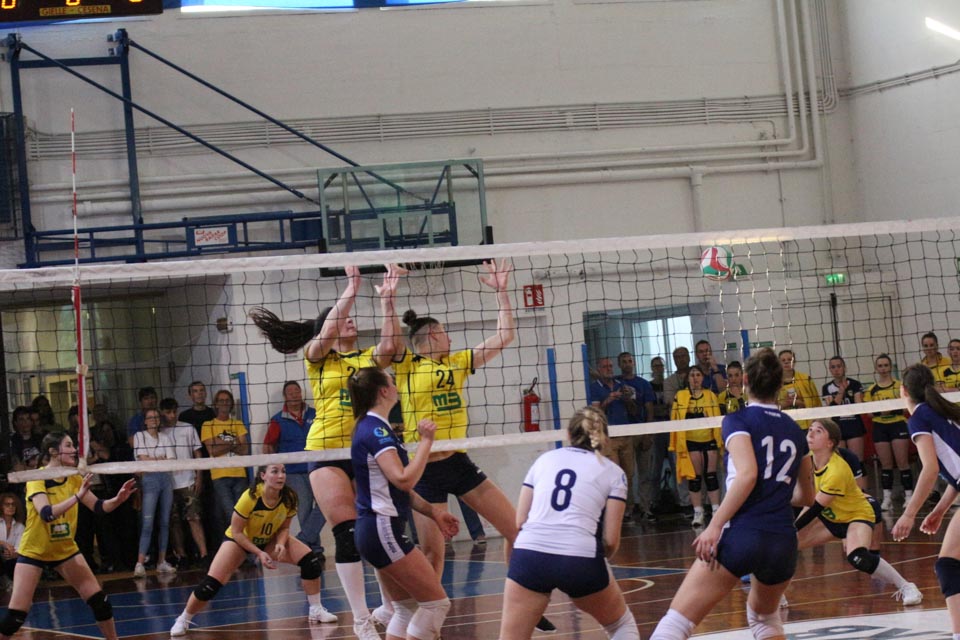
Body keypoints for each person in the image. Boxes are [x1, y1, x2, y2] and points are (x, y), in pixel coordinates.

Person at [395, 260, 556, 634]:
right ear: (432, 335)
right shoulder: (406, 365)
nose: (450, 338)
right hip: (423, 469)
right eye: (445, 333)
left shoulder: (458, 362)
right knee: (433, 554)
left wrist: (502, 292)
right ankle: (425, 625)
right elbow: (390, 341)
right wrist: (389, 297)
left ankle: (523, 603)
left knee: (519, 531)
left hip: (459, 463)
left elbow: (504, 336)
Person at [250, 264, 404, 640]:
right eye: (342, 319)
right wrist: (352, 287)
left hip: (364, 451)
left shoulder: (367, 360)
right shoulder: (317, 358)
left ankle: (388, 606)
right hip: (326, 450)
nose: (349, 321)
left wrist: (387, 301)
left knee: (377, 531)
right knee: (349, 534)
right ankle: (361, 618)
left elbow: (391, 347)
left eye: (351, 318)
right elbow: (330, 327)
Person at [649, 348, 814, 640]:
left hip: (743, 533)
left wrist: (714, 526)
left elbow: (748, 474)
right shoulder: (795, 430)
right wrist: (773, 494)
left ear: (745, 380)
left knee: (676, 622)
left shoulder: (737, 420)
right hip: (783, 542)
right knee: (765, 620)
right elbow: (806, 497)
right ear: (780, 384)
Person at [500, 407, 640, 640]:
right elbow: (610, 541)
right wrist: (594, 565)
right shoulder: (614, 473)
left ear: (568, 434)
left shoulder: (544, 460)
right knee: (621, 625)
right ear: (604, 438)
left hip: (530, 554)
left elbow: (520, 521)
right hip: (579, 557)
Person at [349, 367, 460, 640]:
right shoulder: (376, 430)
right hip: (382, 528)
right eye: (392, 381)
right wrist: (426, 442)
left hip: (375, 530)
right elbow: (403, 479)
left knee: (406, 611)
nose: (396, 385)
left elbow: (398, 490)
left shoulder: (373, 426)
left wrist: (434, 512)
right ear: (384, 391)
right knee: (436, 604)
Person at [169, 463, 337, 637]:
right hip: (240, 540)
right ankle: (183, 619)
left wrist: (280, 543)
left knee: (310, 561)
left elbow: (284, 527)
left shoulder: (289, 497)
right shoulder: (250, 498)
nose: (281, 476)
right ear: (263, 476)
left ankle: (316, 609)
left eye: (283, 471)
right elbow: (236, 531)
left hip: (269, 539)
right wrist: (259, 553)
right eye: (275, 472)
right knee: (211, 584)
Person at [0, 432, 136, 640]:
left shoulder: (74, 477)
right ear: (54, 451)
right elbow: (46, 514)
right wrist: (77, 497)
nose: (74, 450)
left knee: (101, 603)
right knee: (16, 617)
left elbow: (99, 507)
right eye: (69, 445)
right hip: (35, 550)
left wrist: (118, 499)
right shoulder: (37, 477)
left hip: (64, 549)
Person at [795, 419, 921, 605]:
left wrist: (793, 528)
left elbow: (815, 508)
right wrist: (791, 531)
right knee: (785, 547)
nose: (810, 434)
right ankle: (777, 598)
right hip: (831, 517)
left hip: (856, 516)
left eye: (818, 431)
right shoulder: (808, 462)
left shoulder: (836, 470)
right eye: (810, 430)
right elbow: (808, 501)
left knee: (857, 557)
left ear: (830, 442)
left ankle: (907, 586)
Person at [892, 363, 960, 639]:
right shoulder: (944, 412)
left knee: (948, 564)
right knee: (950, 563)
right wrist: (941, 509)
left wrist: (909, 514)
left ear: (903, 391)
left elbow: (930, 469)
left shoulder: (919, 417)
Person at [263, 381, 326, 554]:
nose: (294, 395)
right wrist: (275, 471)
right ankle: (314, 551)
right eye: (290, 392)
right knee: (304, 509)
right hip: (293, 472)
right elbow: (267, 446)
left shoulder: (316, 414)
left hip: (316, 467)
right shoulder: (278, 420)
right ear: (285, 396)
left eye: (297, 391)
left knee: (325, 504)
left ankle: (305, 539)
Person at [669, 365, 722, 527]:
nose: (695, 378)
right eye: (692, 375)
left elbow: (716, 417)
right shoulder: (681, 395)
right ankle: (698, 512)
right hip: (690, 441)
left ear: (703, 378)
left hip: (709, 439)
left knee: (711, 476)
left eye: (698, 375)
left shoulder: (710, 395)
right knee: (695, 478)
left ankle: (716, 510)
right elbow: (675, 418)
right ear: (687, 379)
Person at [159, 398, 209, 568]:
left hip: (188, 481)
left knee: (194, 518)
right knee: (174, 521)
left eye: (174, 411)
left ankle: (204, 554)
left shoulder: (187, 428)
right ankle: (182, 556)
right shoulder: (159, 432)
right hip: (168, 484)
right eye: (168, 412)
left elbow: (197, 454)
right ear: (162, 413)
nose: (172, 415)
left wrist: (199, 476)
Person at [863, 354, 913, 512]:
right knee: (886, 464)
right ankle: (887, 498)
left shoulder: (900, 386)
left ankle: (909, 496)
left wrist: (891, 410)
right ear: (876, 368)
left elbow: (907, 407)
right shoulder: (872, 390)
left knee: (902, 462)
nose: (883, 369)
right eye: (880, 366)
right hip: (880, 427)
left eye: (886, 365)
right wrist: (881, 412)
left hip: (897, 425)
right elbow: (868, 413)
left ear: (890, 367)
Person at [132, 408, 177, 577]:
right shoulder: (139, 436)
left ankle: (161, 562)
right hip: (150, 479)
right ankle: (140, 563)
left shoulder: (165, 437)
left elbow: (171, 460)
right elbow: (143, 459)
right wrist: (159, 460)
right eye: (150, 417)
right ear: (145, 421)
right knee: (148, 523)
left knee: (165, 521)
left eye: (156, 417)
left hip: (166, 479)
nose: (153, 419)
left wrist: (154, 460)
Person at [200, 390, 249, 542]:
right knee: (230, 514)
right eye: (221, 400)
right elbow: (213, 451)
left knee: (242, 513)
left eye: (227, 400)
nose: (224, 403)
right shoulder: (208, 425)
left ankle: (240, 546)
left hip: (239, 475)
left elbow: (245, 450)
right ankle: (235, 546)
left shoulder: (237, 423)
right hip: (220, 476)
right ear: (215, 404)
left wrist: (221, 443)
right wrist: (234, 442)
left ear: (231, 403)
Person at [590, 357, 636, 520]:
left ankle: (628, 509)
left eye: (610, 366)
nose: (609, 369)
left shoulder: (621, 385)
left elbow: (634, 410)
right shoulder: (595, 388)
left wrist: (628, 399)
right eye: (605, 366)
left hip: (626, 435)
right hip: (608, 438)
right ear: (599, 369)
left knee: (628, 474)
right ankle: (614, 511)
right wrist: (608, 400)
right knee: (615, 475)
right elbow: (595, 413)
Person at [617, 352, 656, 522]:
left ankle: (646, 507)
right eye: (624, 361)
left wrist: (648, 433)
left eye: (629, 361)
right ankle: (629, 509)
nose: (627, 364)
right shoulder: (616, 384)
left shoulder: (643, 384)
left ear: (633, 363)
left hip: (642, 430)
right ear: (619, 364)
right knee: (627, 474)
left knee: (645, 473)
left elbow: (649, 409)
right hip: (624, 433)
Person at [821, 356, 866, 463]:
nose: (836, 369)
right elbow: (832, 409)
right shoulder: (826, 387)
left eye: (839, 366)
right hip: (837, 427)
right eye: (833, 367)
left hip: (854, 425)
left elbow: (859, 407)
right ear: (830, 369)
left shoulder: (855, 384)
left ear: (844, 368)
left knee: (857, 462)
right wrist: (841, 391)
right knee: (841, 463)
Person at [778, 349, 821, 428]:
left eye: (789, 359)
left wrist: (799, 403)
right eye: (783, 360)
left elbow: (816, 404)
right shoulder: (773, 383)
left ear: (794, 362)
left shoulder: (806, 379)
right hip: (784, 425)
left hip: (805, 425)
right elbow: (770, 408)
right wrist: (786, 403)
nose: (786, 362)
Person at [0, 494, 24, 589]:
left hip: (11, 560)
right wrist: (4, 544)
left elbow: (20, 547)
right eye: (7, 504)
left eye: (13, 504)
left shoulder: (20, 526)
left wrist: (14, 554)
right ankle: (4, 580)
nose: (11, 507)